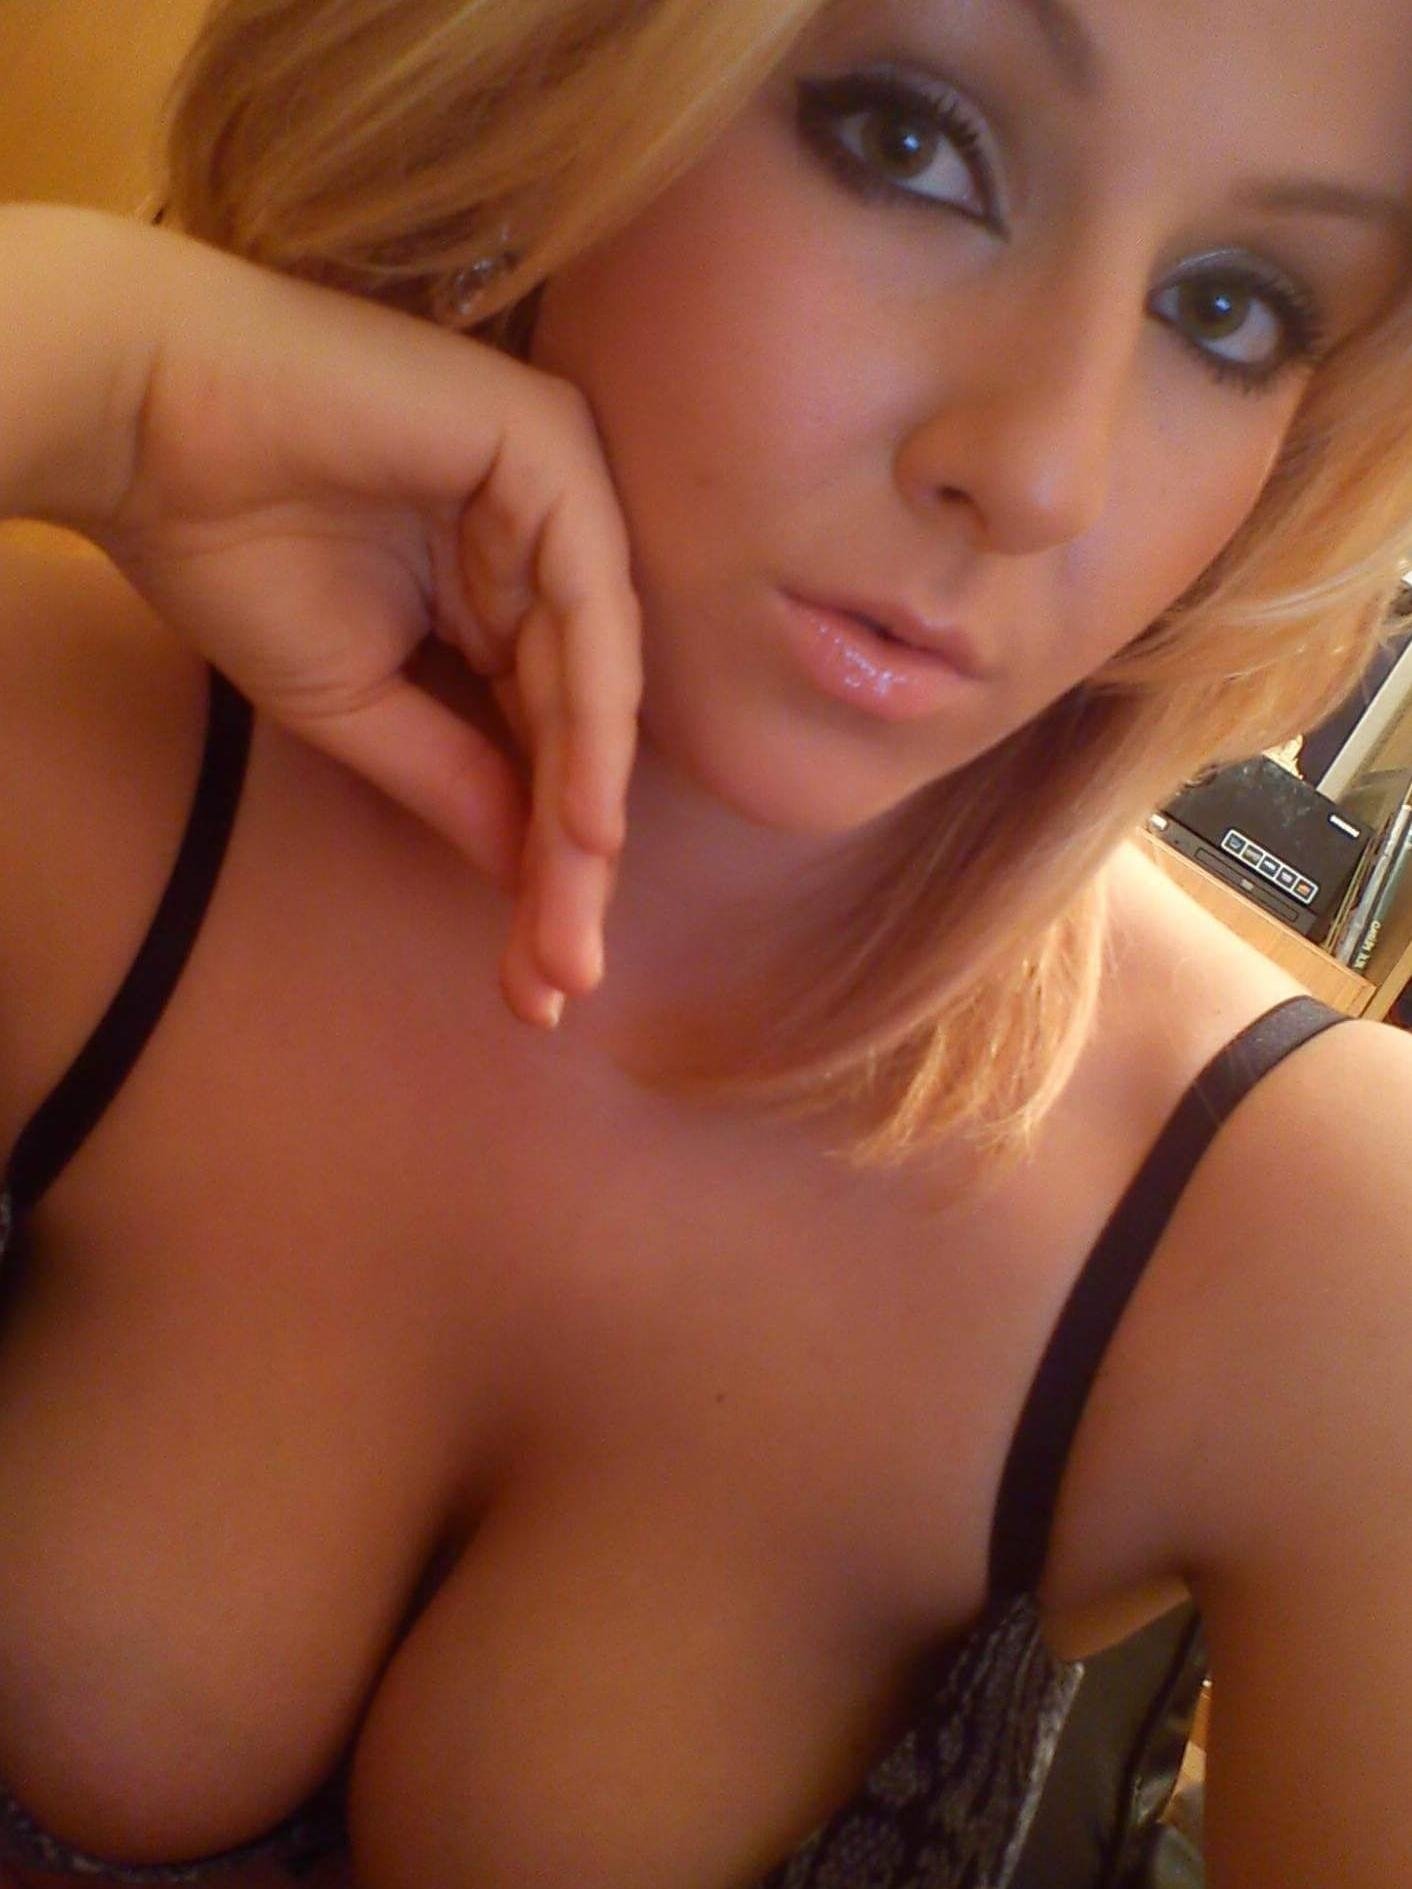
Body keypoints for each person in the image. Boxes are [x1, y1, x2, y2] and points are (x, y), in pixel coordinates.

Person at [0, 0, 1410, 1884]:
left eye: (1229, 308)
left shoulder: (1321, 1234)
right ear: (554, 72)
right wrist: (89, 373)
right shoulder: (67, 753)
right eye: (912, 142)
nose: (1040, 471)